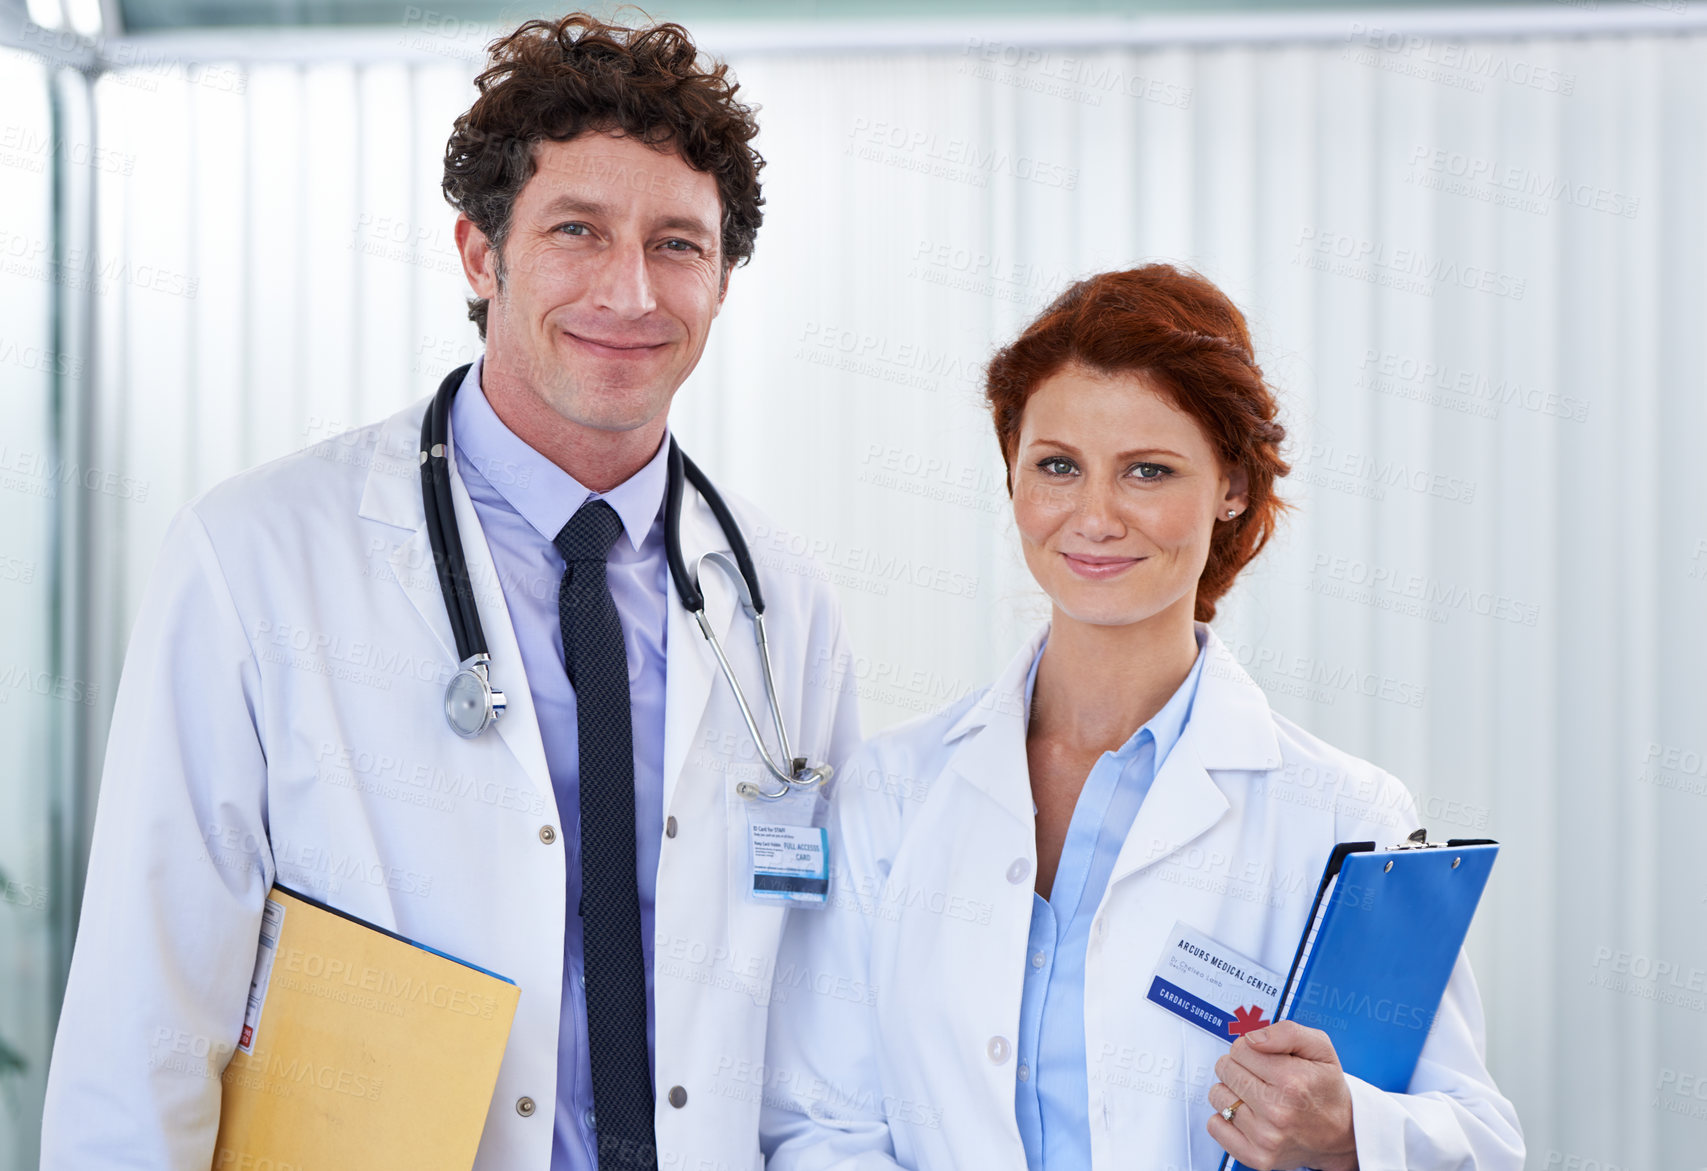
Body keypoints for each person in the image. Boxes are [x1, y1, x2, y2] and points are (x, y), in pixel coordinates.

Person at [40, 13, 860, 1171]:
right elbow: (144, 1018)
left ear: (723, 278)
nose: (631, 291)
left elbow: (823, 1028)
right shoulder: (261, 556)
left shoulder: (781, 602)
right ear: (480, 254)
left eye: (678, 243)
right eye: (578, 230)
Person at [759, 265, 1523, 1171]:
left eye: (1147, 471)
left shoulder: (1344, 816)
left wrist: (1347, 1129)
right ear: (1012, 476)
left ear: (1230, 486)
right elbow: (819, 1121)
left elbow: (1475, 1138)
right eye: (1056, 467)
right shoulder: (892, 790)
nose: (1093, 516)